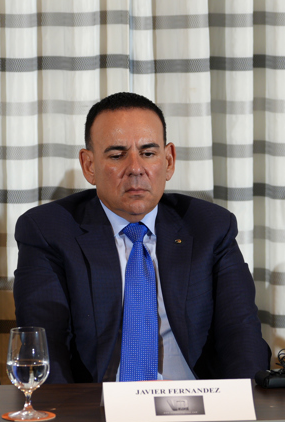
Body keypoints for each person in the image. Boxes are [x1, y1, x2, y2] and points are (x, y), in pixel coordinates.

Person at [13, 92, 270, 384]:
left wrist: (242, 408)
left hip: (195, 402)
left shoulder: (210, 228)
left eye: (148, 153)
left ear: (169, 160)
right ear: (89, 165)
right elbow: (45, 347)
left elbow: (241, 334)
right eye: (117, 155)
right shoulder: (48, 231)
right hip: (98, 406)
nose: (135, 168)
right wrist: (72, 414)